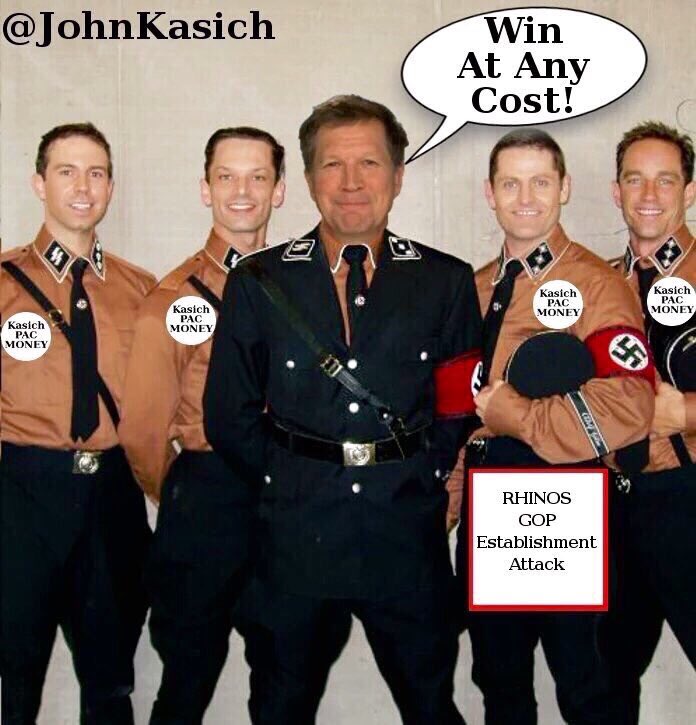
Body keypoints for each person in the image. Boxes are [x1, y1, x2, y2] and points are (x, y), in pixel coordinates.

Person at [204, 95, 482, 724]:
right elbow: (228, 414)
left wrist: (423, 476)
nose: (351, 182)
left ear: (398, 176)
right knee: (280, 705)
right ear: (308, 179)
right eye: (333, 165)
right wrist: (288, 482)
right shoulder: (259, 282)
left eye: (370, 164)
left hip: (404, 533)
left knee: (430, 705)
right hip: (295, 539)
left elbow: (457, 405)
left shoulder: (444, 280)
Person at [452, 129, 655, 724]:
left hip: (566, 499)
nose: (525, 198)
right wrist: (450, 500)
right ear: (490, 193)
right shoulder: (473, 290)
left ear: (564, 188)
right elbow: (458, 417)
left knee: (585, 683)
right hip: (490, 504)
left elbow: (629, 403)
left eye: (540, 182)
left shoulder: (597, 284)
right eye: (511, 184)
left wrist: (518, 415)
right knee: (499, 680)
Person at [119, 126, 286, 723]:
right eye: (226, 177)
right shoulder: (174, 298)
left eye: (258, 177)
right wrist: (185, 493)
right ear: (205, 189)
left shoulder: (304, 288)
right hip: (206, 497)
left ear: (279, 191)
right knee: (187, 678)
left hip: (285, 496)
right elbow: (142, 432)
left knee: (285, 675)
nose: (242, 192)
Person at [0, 123, 155, 723]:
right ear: (40, 184)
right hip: (22, 496)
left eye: (96, 173)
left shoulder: (142, 291)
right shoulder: (4, 286)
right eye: (66, 172)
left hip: (111, 498)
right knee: (15, 676)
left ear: (110, 187)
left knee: (111, 680)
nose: (83, 187)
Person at [602, 121, 696, 722]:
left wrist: (683, 412)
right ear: (616, 191)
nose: (649, 195)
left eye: (665, 180)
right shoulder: (594, 285)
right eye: (635, 179)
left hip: (688, 497)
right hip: (610, 505)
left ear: (689, 191)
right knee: (604, 681)